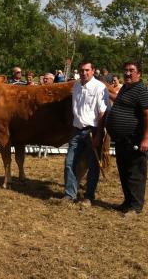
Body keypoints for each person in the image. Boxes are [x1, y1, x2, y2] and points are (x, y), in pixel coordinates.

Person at [106, 61, 148, 216]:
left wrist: (146, 139)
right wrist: (104, 92)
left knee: (135, 174)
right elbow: (121, 103)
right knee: (124, 172)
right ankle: (127, 202)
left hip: (135, 140)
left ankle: (135, 207)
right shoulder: (125, 89)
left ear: (139, 73)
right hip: (121, 140)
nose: (127, 73)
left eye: (131, 70)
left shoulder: (142, 90)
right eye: (125, 70)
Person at [63, 61, 110, 208]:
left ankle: (89, 197)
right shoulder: (76, 85)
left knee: (93, 165)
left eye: (87, 70)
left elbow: (103, 112)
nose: (84, 73)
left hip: (93, 131)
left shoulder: (100, 87)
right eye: (82, 70)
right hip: (77, 130)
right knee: (69, 163)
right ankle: (69, 194)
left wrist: (98, 135)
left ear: (93, 70)